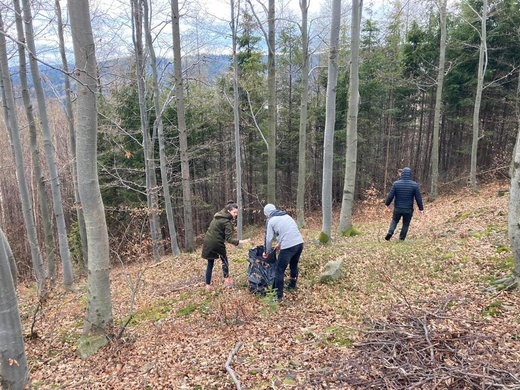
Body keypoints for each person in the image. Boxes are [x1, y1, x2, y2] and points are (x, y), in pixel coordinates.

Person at [202, 201, 249, 291]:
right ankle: (227, 280)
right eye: (234, 212)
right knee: (224, 260)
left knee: (210, 263)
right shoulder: (227, 222)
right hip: (217, 243)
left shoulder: (217, 216)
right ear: (228, 211)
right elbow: (229, 239)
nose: (235, 214)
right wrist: (240, 241)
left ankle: (207, 286)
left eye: (236, 212)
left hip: (207, 241)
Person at [263, 203, 304, 302]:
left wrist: (267, 252)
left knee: (279, 270)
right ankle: (292, 286)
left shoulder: (271, 221)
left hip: (288, 247)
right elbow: (289, 231)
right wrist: (279, 244)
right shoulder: (286, 216)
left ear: (267, 214)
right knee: (293, 265)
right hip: (299, 243)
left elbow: (268, 239)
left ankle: (278, 296)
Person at [384, 167, 424, 241]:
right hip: (408, 209)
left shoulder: (396, 184)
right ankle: (401, 238)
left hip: (398, 208)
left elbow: (390, 195)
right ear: (410, 175)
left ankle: (390, 232)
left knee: (395, 220)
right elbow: (418, 198)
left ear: (402, 174)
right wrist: (421, 209)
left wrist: (387, 204)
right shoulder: (414, 185)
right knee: (405, 224)